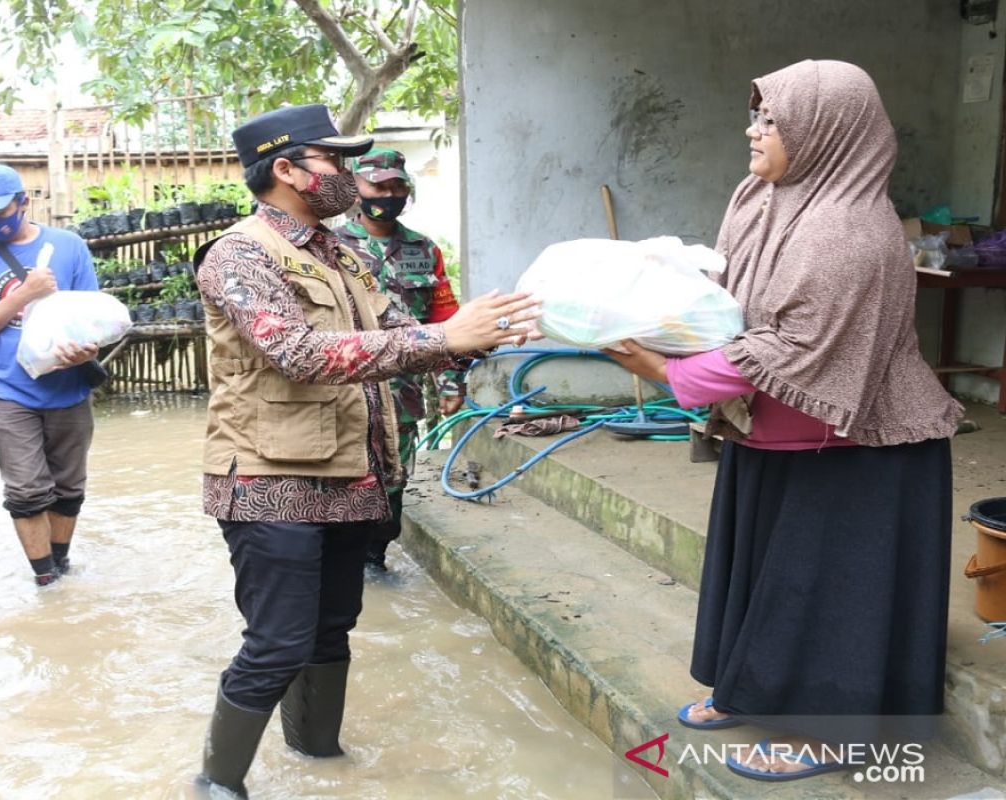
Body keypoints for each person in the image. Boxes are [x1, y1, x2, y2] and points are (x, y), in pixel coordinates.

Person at [606, 60, 962, 781]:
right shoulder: (763, 196)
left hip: (858, 445)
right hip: (776, 432)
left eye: (772, 120)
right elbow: (725, 293)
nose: (753, 130)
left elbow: (793, 347)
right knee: (763, 576)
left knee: (829, 594)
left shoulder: (848, 233)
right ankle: (751, 688)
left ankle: (833, 732)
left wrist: (667, 373)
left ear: (827, 131)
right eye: (757, 115)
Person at [192, 104, 541, 798]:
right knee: (277, 643)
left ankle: (321, 761)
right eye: (337, 161)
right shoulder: (239, 255)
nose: (352, 176)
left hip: (352, 474)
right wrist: (443, 339)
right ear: (286, 170)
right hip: (269, 479)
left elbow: (402, 332)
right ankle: (216, 784)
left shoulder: (343, 252)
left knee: (331, 632)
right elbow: (295, 352)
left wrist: (482, 330)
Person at [0, 164, 101, 587]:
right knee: (27, 491)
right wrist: (26, 295)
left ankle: (61, 564)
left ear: (23, 202)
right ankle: (45, 581)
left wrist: (88, 348)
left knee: (69, 488)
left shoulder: (69, 246)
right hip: (7, 388)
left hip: (69, 385)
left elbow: (91, 316)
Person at [336, 147, 464, 572]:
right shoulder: (329, 247)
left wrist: (450, 382)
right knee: (344, 480)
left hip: (403, 395)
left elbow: (443, 321)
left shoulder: (423, 249)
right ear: (356, 188)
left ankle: (376, 558)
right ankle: (344, 563)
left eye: (397, 186)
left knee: (394, 483)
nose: (389, 194)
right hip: (344, 393)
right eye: (379, 186)